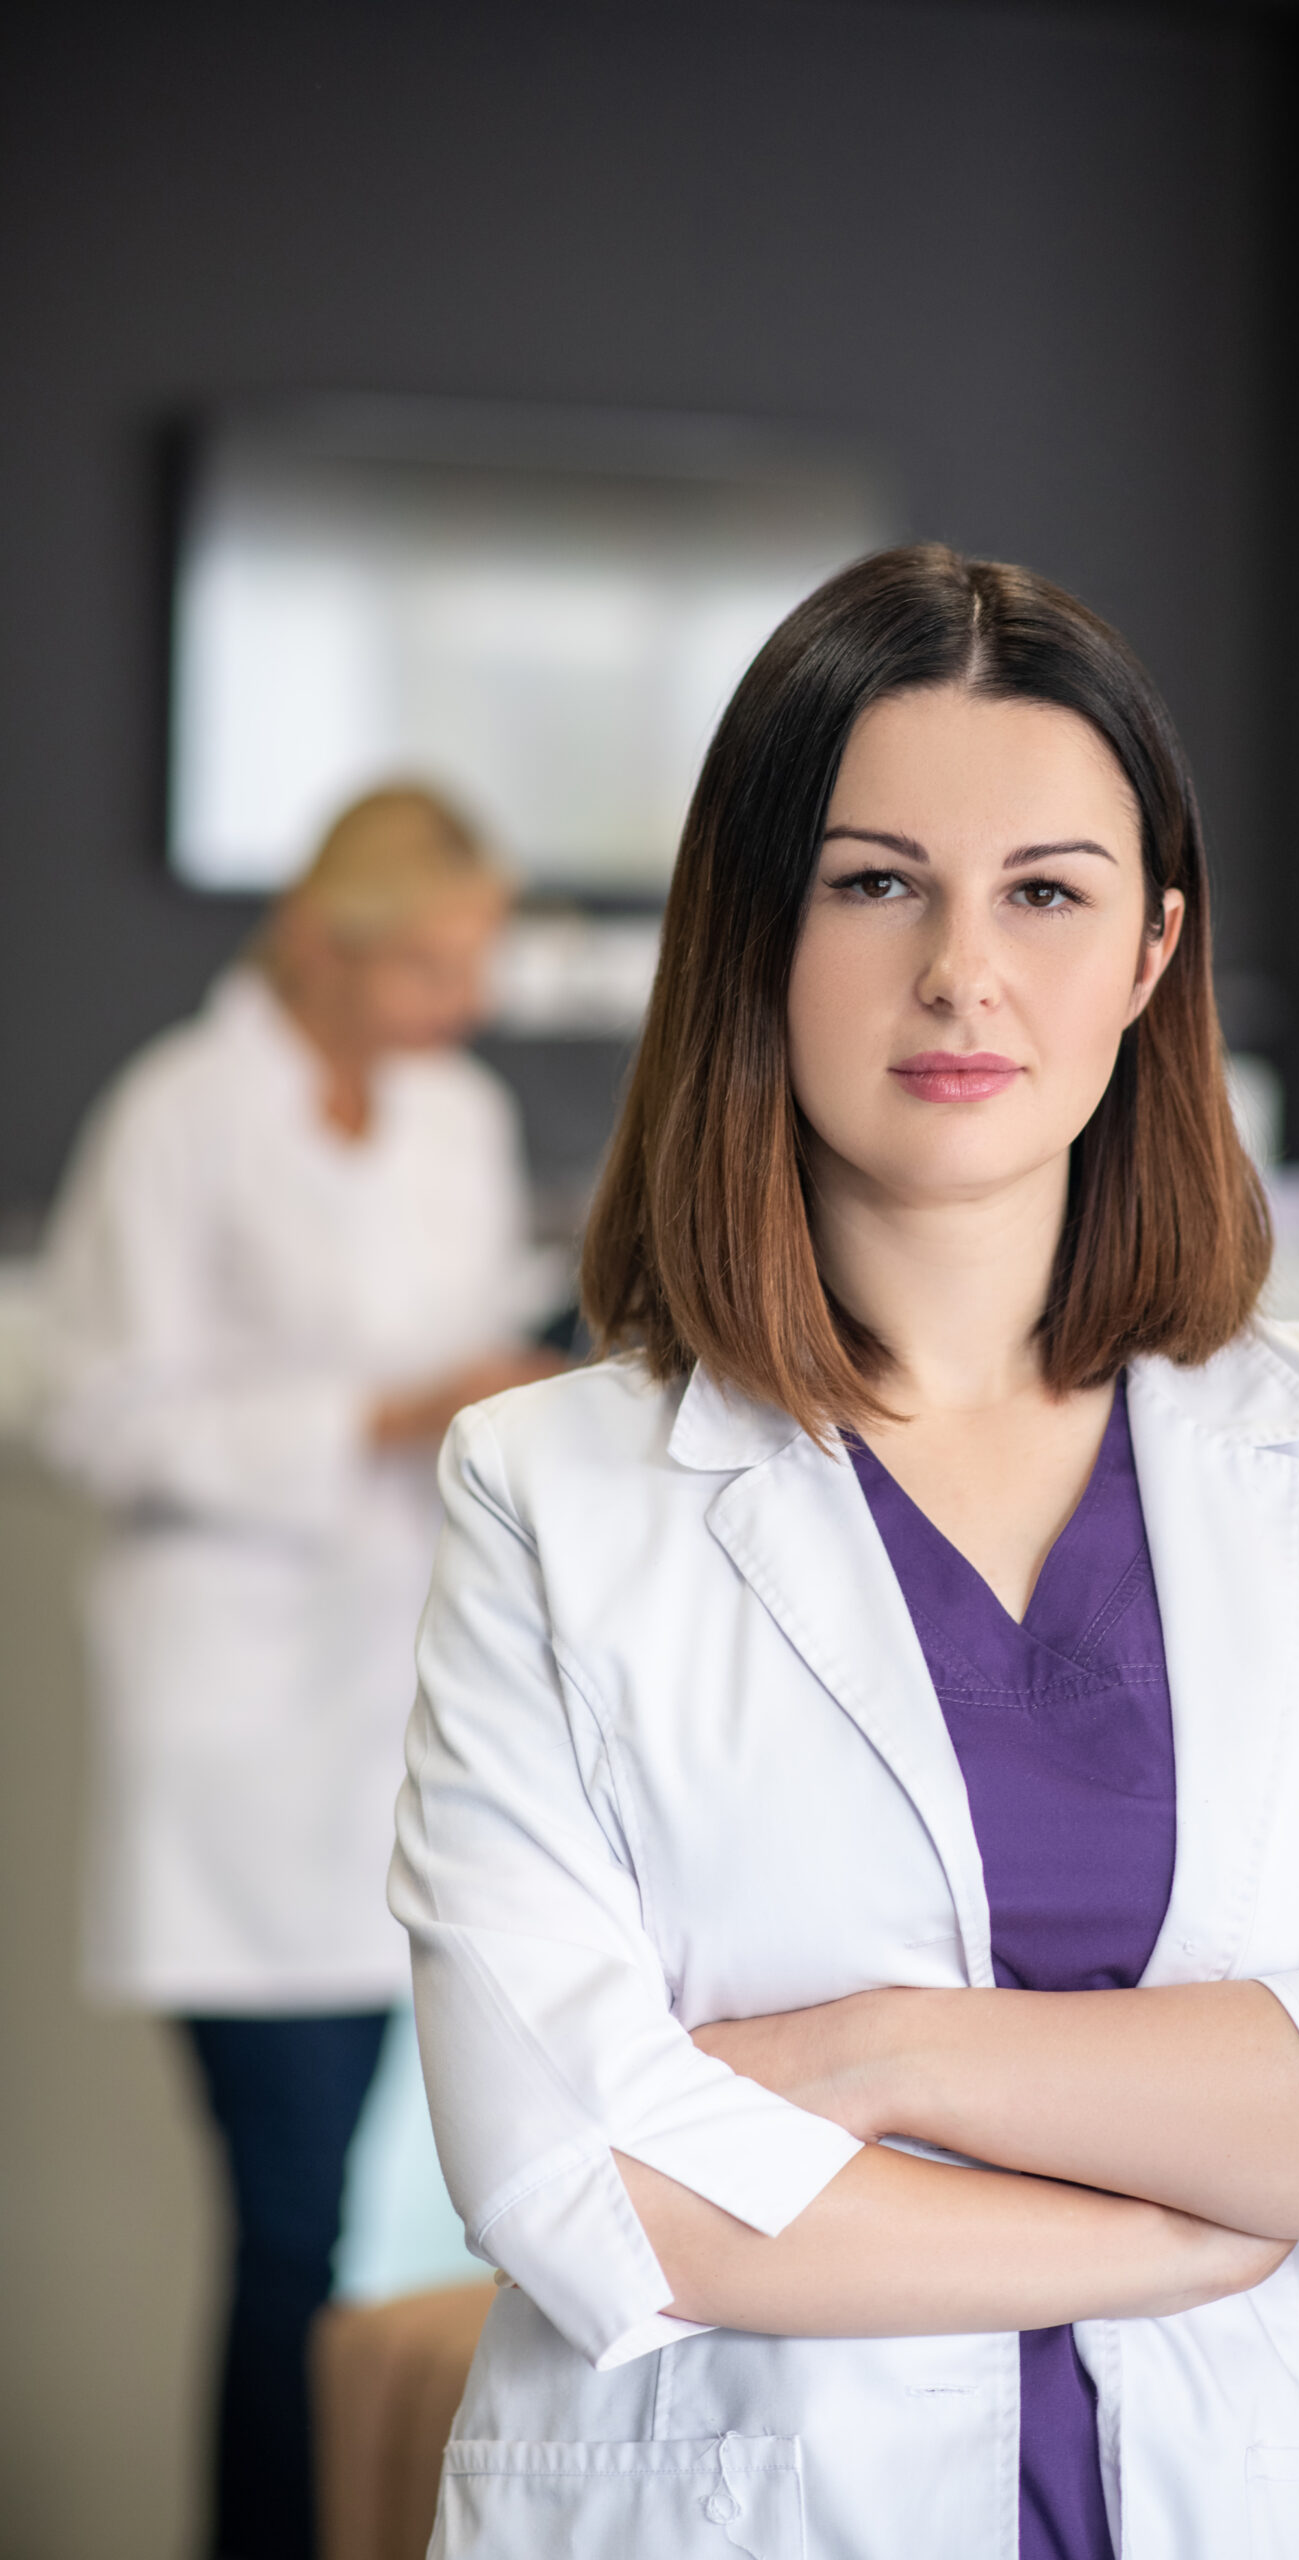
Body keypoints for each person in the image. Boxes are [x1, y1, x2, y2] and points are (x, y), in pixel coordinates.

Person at [391, 551, 1299, 2560]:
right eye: (877, 881)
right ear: (757, 935)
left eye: (1043, 888)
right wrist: (1208, 2191)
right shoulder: (551, 1490)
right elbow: (588, 2168)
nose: (963, 968)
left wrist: (876, 2057)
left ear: (1147, 952)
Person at [41, 786, 561, 2560]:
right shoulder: (180, 1119)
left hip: (413, 1713)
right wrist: (377, 1414)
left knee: (421, 2215)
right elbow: (92, 1411)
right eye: (431, 962)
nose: (461, 1004)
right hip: (244, 1742)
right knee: (286, 2227)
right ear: (326, 943)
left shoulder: (459, 1118)